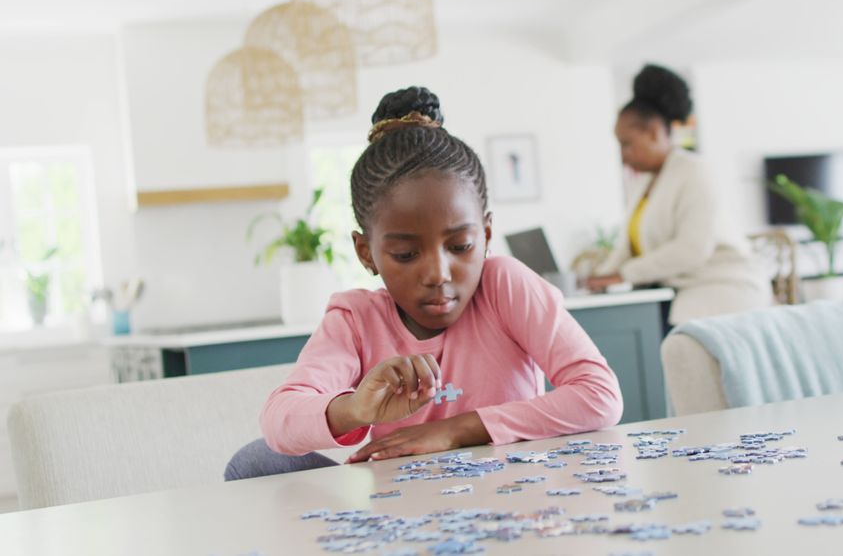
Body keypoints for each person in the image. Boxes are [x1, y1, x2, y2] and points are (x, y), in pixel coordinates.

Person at [225, 87, 623, 480]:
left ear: (486, 234)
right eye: (405, 254)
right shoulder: (356, 319)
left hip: (511, 502)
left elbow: (600, 395)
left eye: (460, 245)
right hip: (409, 521)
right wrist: (357, 408)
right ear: (366, 253)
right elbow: (278, 420)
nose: (438, 273)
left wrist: (454, 431)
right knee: (255, 462)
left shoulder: (504, 284)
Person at [587, 64, 772, 325]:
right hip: (677, 294)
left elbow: (691, 249)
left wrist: (624, 274)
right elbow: (627, 247)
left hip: (723, 291)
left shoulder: (694, 171)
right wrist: (598, 277)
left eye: (627, 144)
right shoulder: (645, 183)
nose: (622, 155)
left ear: (653, 133)